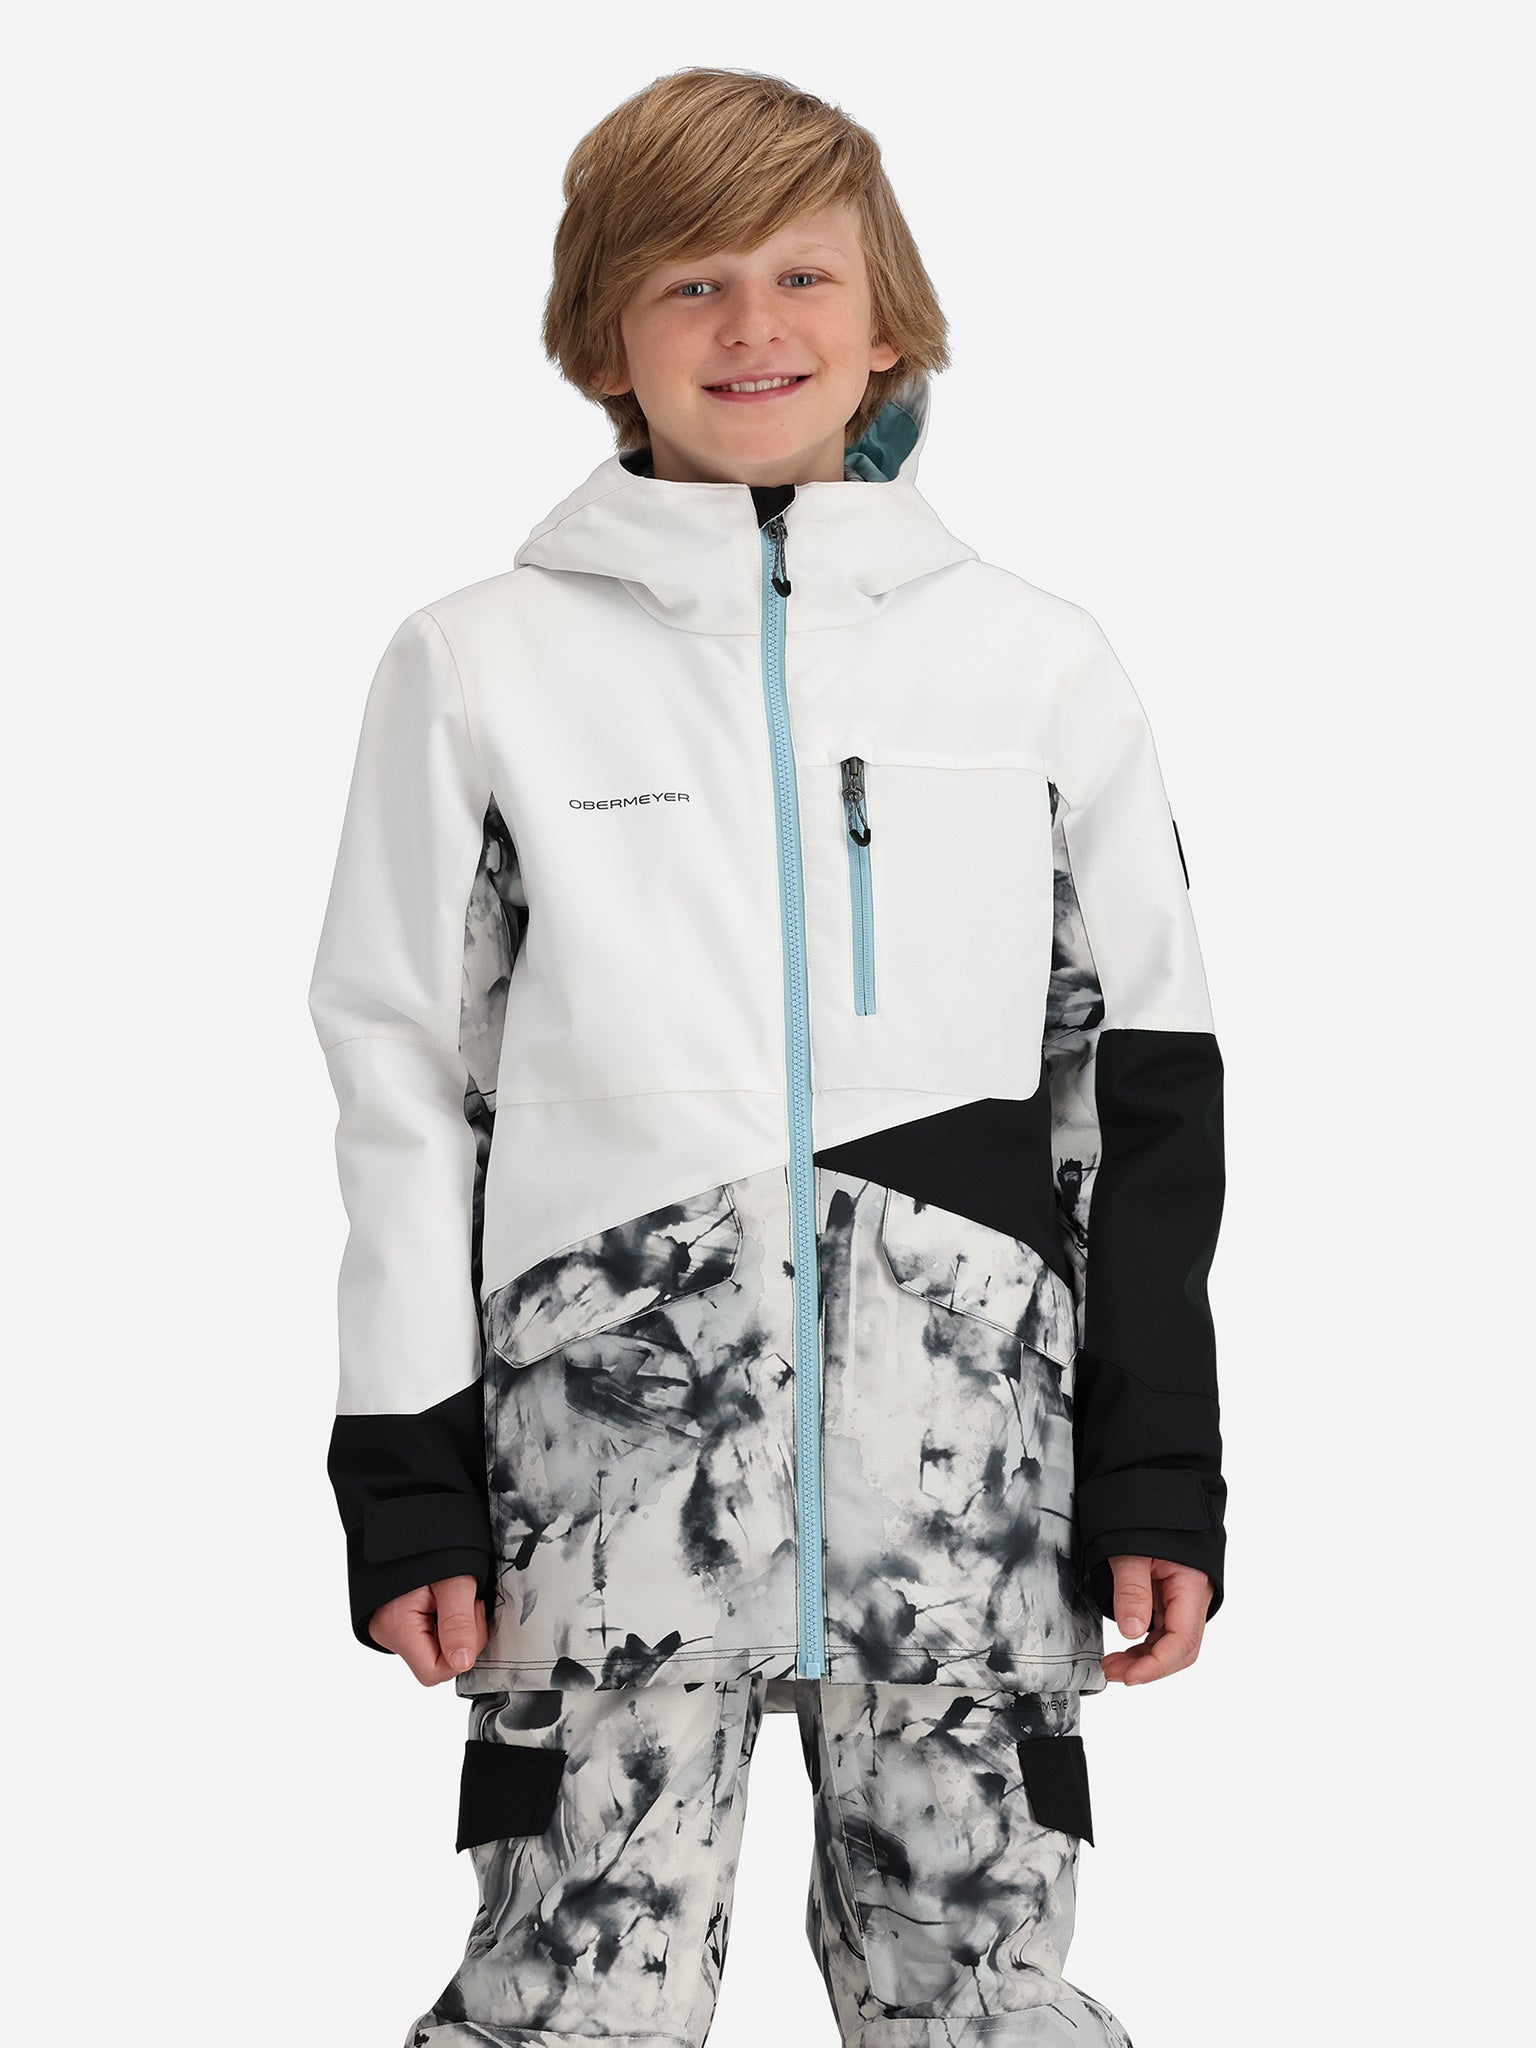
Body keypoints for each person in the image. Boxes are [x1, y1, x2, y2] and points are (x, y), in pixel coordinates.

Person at [307, 64, 1227, 2048]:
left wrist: (1157, 1466)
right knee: (566, 2004)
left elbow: (1141, 1086)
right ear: (604, 340)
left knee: (982, 2001)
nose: (753, 327)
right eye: (690, 283)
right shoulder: (476, 665)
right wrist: (406, 1476)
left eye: (803, 275)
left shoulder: (1036, 661)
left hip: (972, 1491)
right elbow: (400, 1084)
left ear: (885, 323)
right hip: (597, 1493)